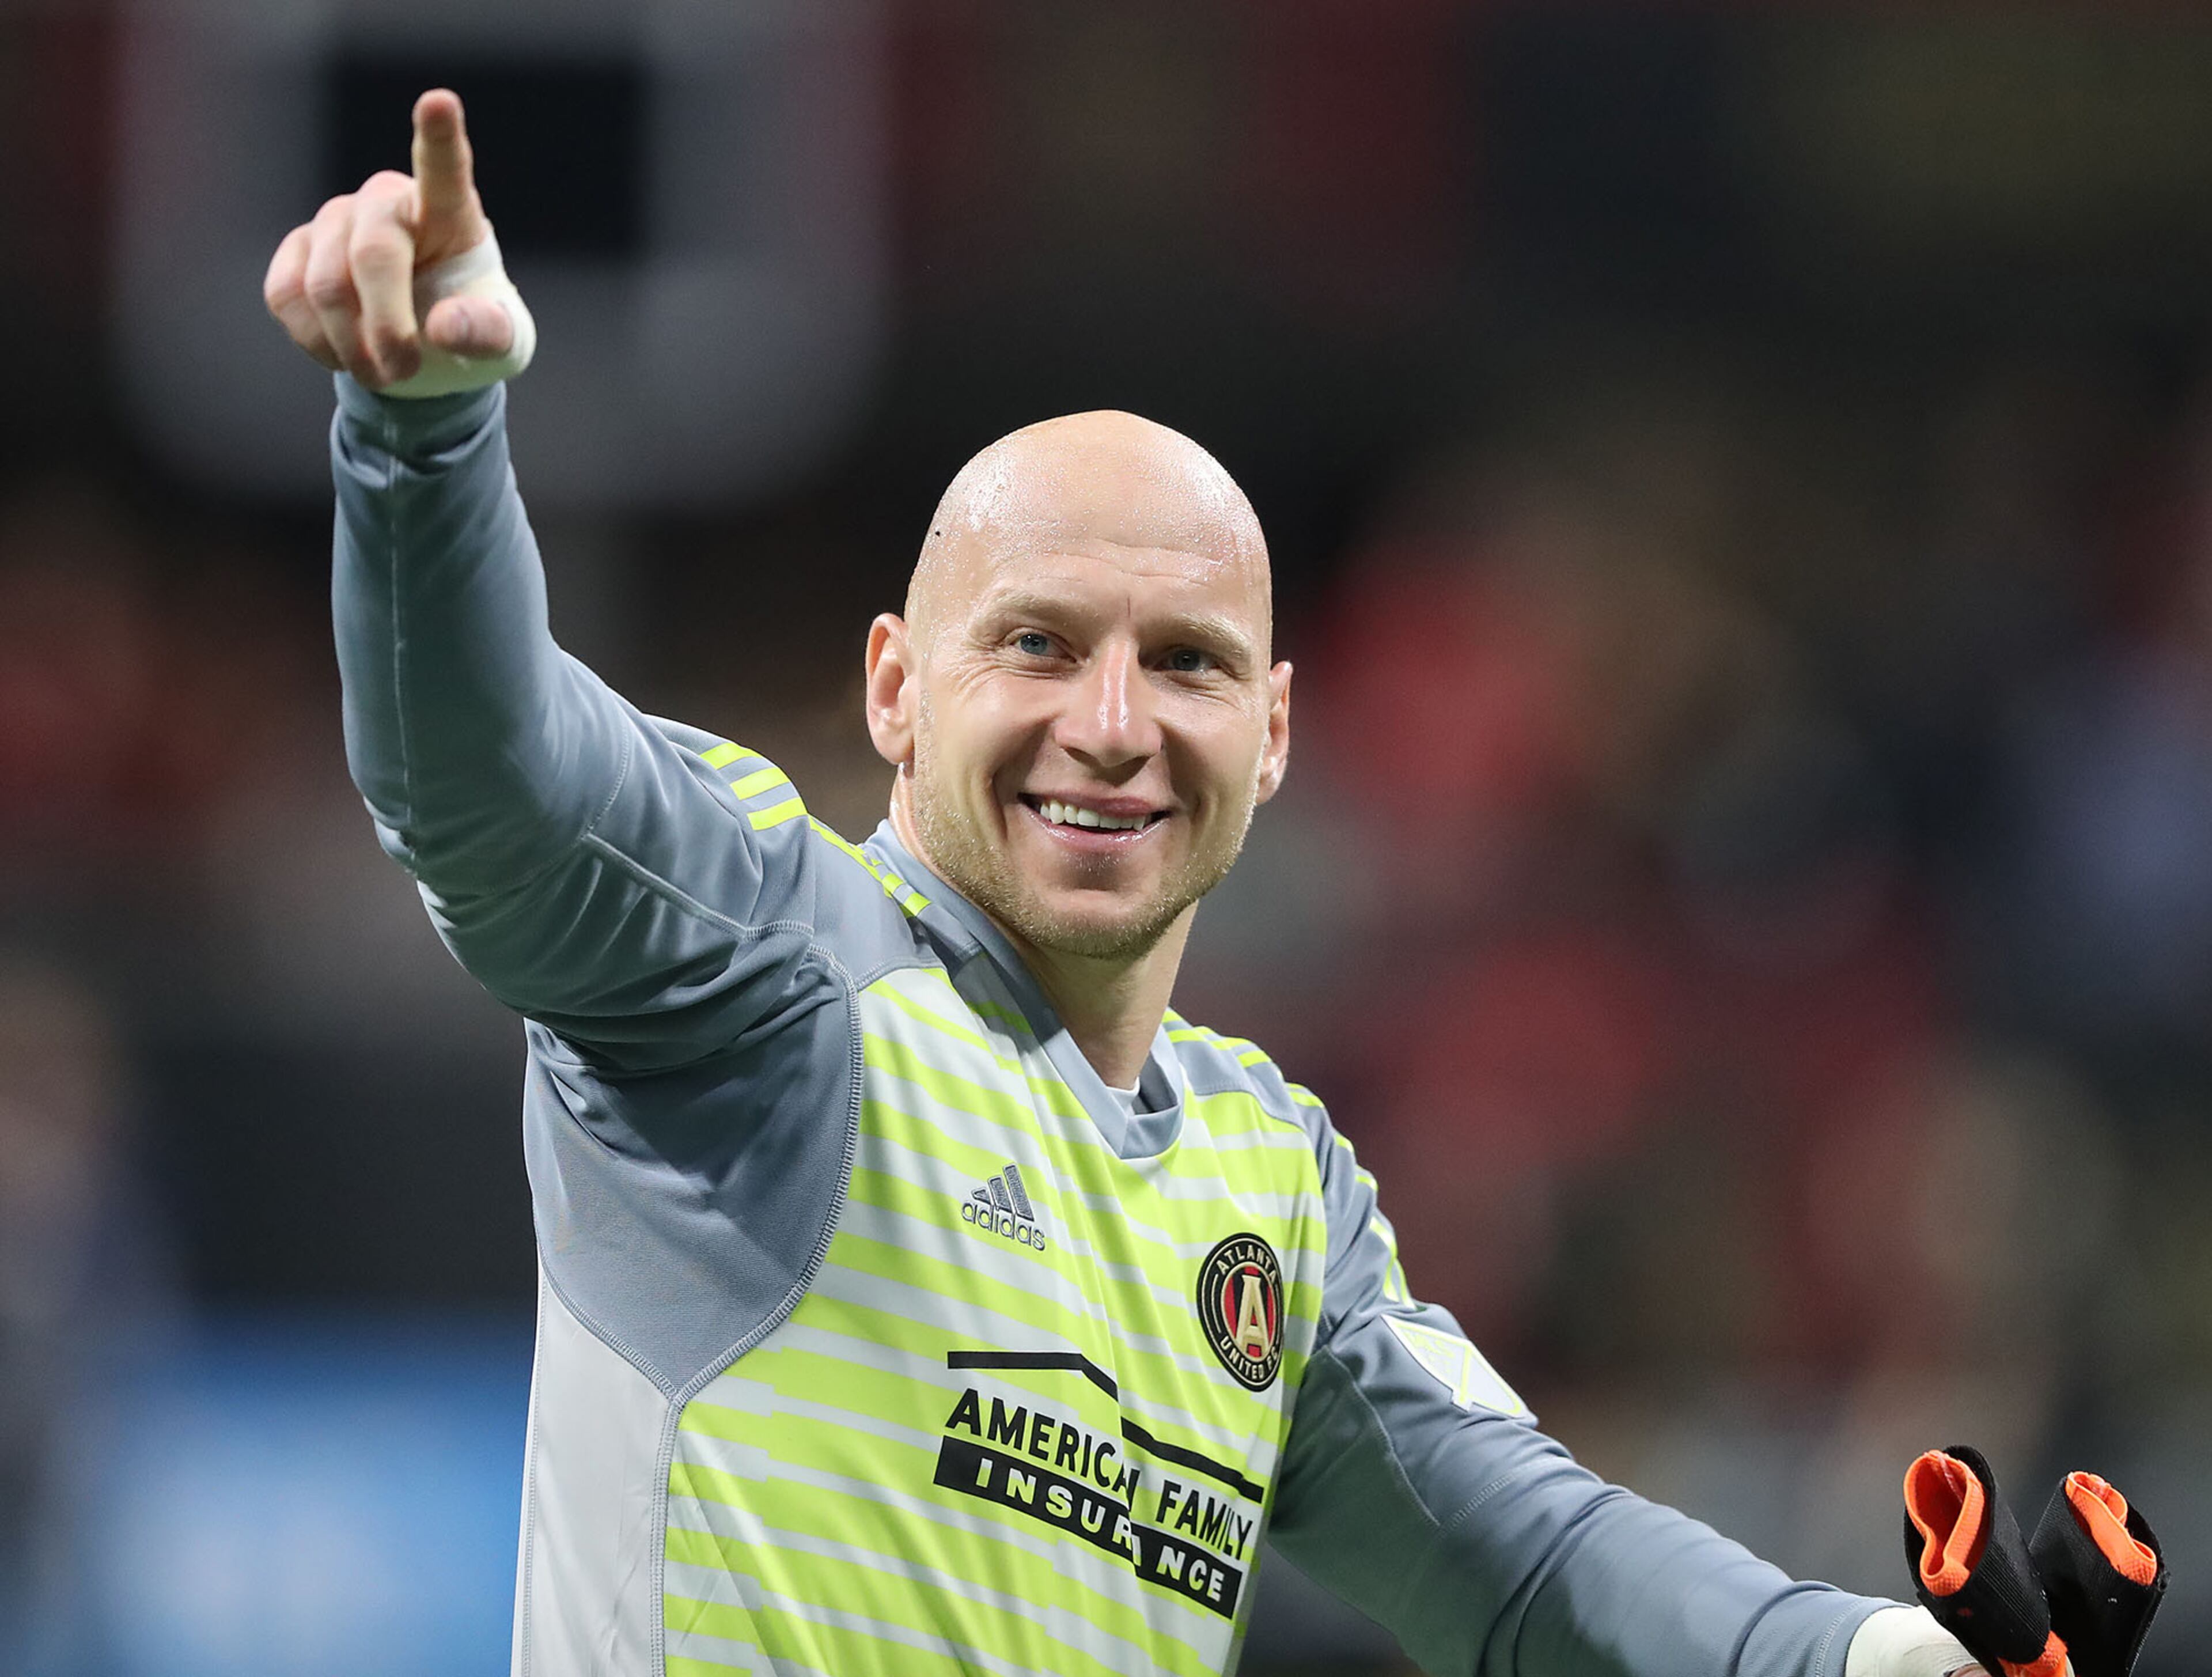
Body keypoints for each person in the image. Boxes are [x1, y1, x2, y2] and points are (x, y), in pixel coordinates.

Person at [264, 90, 1997, 1677]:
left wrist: (1856, 1659)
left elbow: (1530, 1562)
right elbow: (486, 788)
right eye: (1038, 644)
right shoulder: (762, 974)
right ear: (894, 688)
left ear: (1276, 730)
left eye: (1186, 663)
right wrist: (423, 443)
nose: (1113, 726)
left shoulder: (1275, 1190)